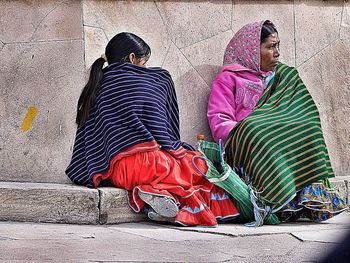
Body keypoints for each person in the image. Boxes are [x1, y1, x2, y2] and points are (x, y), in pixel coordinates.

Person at [66, 32, 239, 227]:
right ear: (132, 58)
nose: (146, 69)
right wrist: (177, 149)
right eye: (143, 63)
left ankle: (157, 197)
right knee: (197, 167)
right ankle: (156, 194)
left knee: (173, 175)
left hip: (115, 171)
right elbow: (164, 134)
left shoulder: (96, 84)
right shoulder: (152, 80)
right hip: (146, 164)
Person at [207, 20, 347, 224]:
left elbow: (302, 111)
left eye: (278, 46)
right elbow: (219, 121)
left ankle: (308, 199)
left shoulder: (285, 76)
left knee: (307, 127)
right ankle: (277, 201)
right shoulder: (228, 80)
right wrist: (251, 127)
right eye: (271, 47)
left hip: (276, 134)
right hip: (249, 141)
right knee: (257, 130)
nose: (277, 53)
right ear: (252, 51)